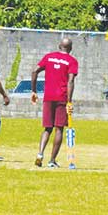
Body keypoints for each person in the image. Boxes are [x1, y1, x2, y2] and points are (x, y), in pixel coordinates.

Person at [31, 38, 78, 168]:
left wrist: (34, 91)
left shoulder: (49, 57)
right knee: (59, 129)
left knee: (47, 128)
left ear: (59, 46)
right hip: (61, 97)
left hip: (48, 96)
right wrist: (69, 101)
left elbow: (34, 71)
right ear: (71, 48)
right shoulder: (72, 61)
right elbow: (70, 81)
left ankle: (40, 154)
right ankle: (52, 160)